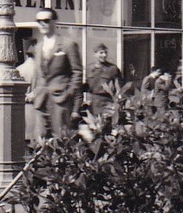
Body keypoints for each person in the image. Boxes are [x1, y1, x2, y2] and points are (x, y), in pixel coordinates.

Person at [29, 8, 84, 139]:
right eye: (39, 21)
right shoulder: (38, 46)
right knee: (41, 140)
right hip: (41, 101)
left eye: (46, 21)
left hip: (61, 99)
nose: (42, 24)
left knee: (62, 139)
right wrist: (35, 92)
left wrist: (69, 93)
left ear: (54, 22)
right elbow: (39, 75)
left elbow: (77, 72)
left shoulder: (67, 44)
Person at [86, 43, 124, 118]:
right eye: (101, 53)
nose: (104, 55)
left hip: (107, 102)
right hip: (93, 102)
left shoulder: (112, 69)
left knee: (107, 124)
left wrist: (118, 102)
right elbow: (86, 86)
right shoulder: (89, 68)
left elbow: (119, 88)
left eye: (105, 52)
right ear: (95, 54)